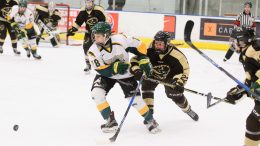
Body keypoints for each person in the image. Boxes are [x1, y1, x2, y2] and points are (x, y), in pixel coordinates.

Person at [87, 22, 160, 134]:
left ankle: (150, 120)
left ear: (106, 35)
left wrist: (143, 59)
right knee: (97, 93)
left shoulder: (121, 39)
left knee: (135, 100)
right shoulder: (93, 51)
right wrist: (114, 68)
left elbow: (140, 46)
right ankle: (110, 121)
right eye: (94, 35)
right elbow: (101, 69)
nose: (95, 38)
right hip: (106, 75)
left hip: (125, 74)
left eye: (98, 36)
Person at [131, 31, 199, 122]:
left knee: (174, 94)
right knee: (146, 87)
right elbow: (135, 59)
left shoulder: (177, 55)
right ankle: (149, 114)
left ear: (167, 44)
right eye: (156, 43)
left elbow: (185, 70)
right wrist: (136, 69)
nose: (157, 46)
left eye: (160, 44)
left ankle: (188, 109)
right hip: (152, 74)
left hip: (170, 77)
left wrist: (179, 82)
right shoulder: (148, 50)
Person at [225, 37, 260, 146]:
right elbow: (251, 79)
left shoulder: (254, 51)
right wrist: (239, 90)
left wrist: (257, 85)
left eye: (235, 42)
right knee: (253, 122)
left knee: (253, 121)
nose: (233, 44)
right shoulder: (246, 54)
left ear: (243, 42)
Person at [67, 0, 107, 73]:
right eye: (86, 2)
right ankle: (88, 65)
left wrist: (98, 30)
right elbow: (78, 22)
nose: (88, 4)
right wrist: (73, 29)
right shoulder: (83, 11)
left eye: (89, 2)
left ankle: (105, 64)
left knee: (101, 49)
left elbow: (104, 21)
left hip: (99, 33)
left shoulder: (99, 10)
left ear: (92, 2)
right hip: (89, 33)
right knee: (86, 47)